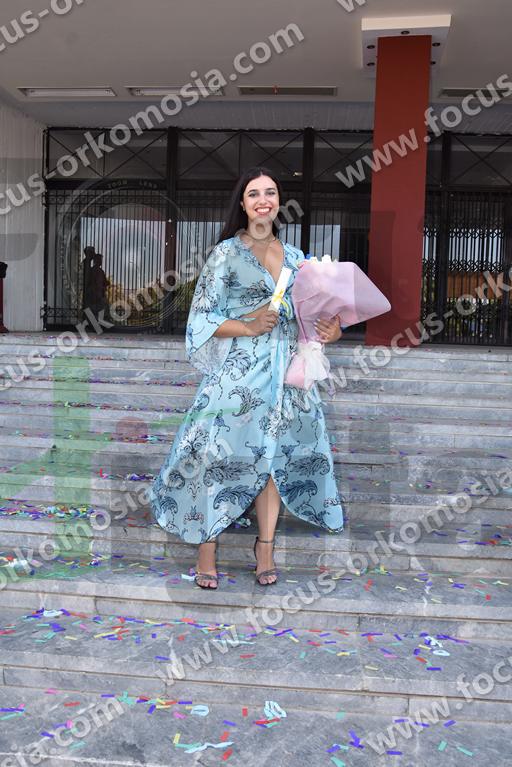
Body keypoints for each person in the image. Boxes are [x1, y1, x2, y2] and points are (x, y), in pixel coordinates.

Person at [150, 166, 344, 589]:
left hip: (286, 379)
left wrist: (332, 331)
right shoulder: (226, 254)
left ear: (278, 202)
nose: (263, 200)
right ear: (242, 203)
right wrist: (249, 326)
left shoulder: (297, 260)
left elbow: (313, 319)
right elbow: (202, 319)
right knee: (214, 457)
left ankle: (265, 549)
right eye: (254, 193)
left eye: (270, 192)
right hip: (238, 375)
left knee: (272, 461)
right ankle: (206, 547)